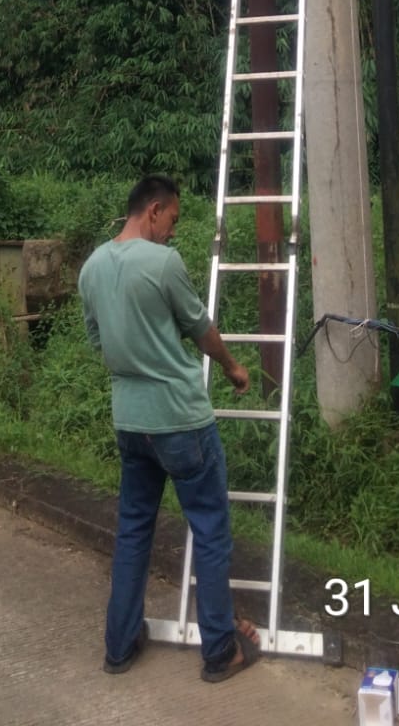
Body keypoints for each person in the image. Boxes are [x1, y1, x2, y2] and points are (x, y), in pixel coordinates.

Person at [78, 173, 261, 683]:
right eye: (173, 219)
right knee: (209, 528)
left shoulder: (91, 267)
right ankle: (220, 650)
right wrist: (231, 367)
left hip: (130, 422)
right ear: (153, 210)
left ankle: (119, 646)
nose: (173, 232)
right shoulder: (163, 264)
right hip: (180, 420)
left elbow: (97, 340)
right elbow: (200, 329)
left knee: (134, 529)